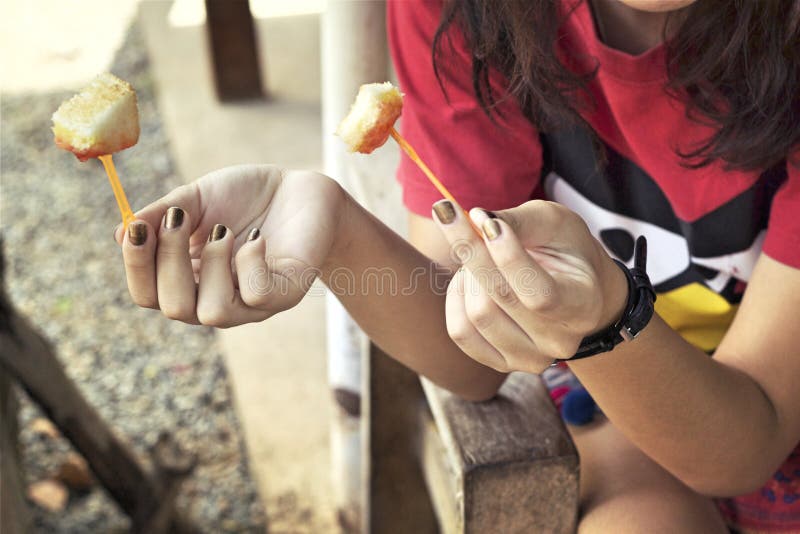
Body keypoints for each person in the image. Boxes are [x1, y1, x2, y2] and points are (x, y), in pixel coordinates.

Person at [115, 0, 800, 531]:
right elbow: (474, 359)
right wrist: (337, 232)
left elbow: (747, 442)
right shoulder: (469, 13)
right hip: (627, 415)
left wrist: (605, 320)